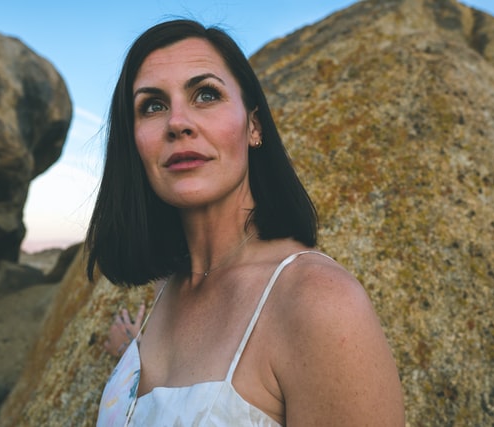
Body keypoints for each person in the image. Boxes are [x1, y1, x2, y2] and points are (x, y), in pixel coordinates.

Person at [88, 19, 404, 426]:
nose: (177, 123)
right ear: (133, 142)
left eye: (205, 94)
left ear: (253, 125)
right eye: (153, 105)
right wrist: (130, 355)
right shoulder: (166, 289)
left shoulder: (318, 303)